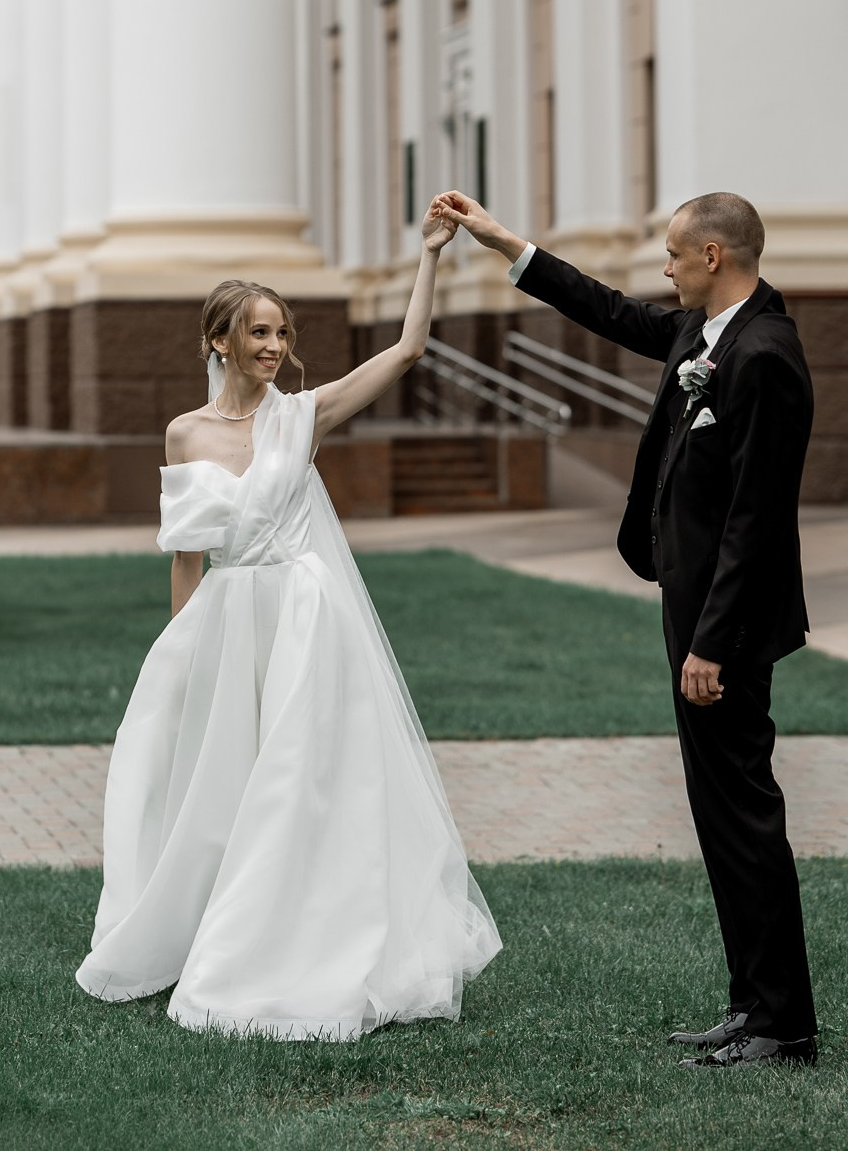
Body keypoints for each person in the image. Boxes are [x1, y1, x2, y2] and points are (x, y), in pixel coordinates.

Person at [76, 197, 501, 1039]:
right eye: (259, 333)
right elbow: (186, 559)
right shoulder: (185, 434)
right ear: (219, 341)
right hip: (230, 627)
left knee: (297, 782)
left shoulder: (302, 419)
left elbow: (409, 350)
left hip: (306, 621)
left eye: (282, 334)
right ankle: (207, 930)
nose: (275, 348)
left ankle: (295, 944)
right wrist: (186, 652)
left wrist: (428, 256)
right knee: (215, 783)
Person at [442, 187, 817, 1069]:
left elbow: (756, 522)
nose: (664, 269)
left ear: (714, 257)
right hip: (693, 616)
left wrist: (713, 644)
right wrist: (505, 244)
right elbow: (607, 311)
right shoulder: (701, 336)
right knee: (720, 816)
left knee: (744, 818)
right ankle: (752, 1006)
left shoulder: (765, 355)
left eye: (674, 255)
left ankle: (782, 1024)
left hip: (724, 634)